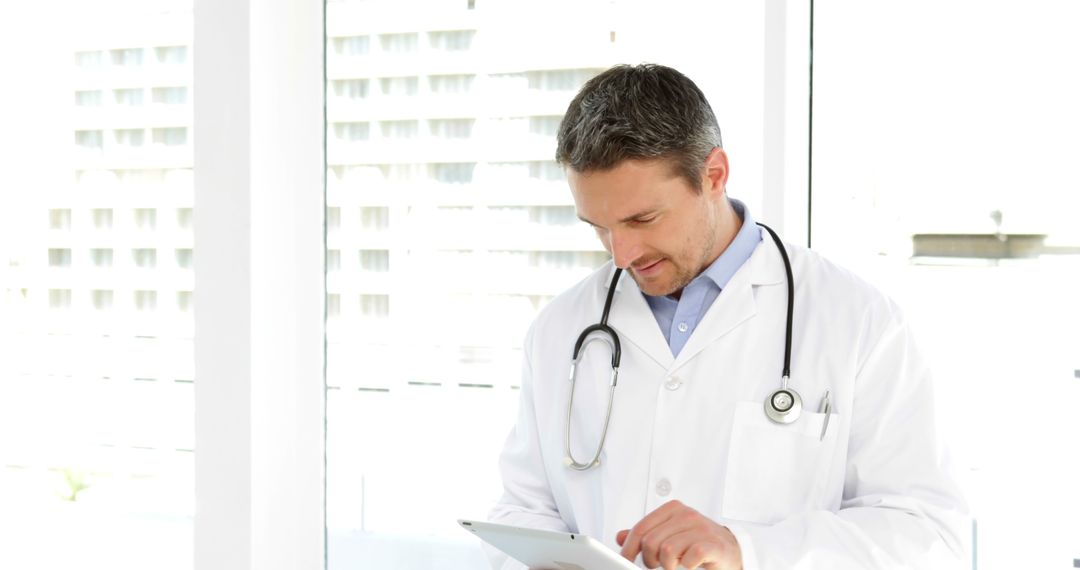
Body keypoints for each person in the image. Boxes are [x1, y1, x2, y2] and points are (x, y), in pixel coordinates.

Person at [486, 64, 969, 570]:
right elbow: (522, 508)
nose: (621, 253)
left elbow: (927, 537)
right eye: (599, 226)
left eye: (642, 219)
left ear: (713, 175)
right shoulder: (560, 328)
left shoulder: (860, 322)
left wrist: (747, 551)